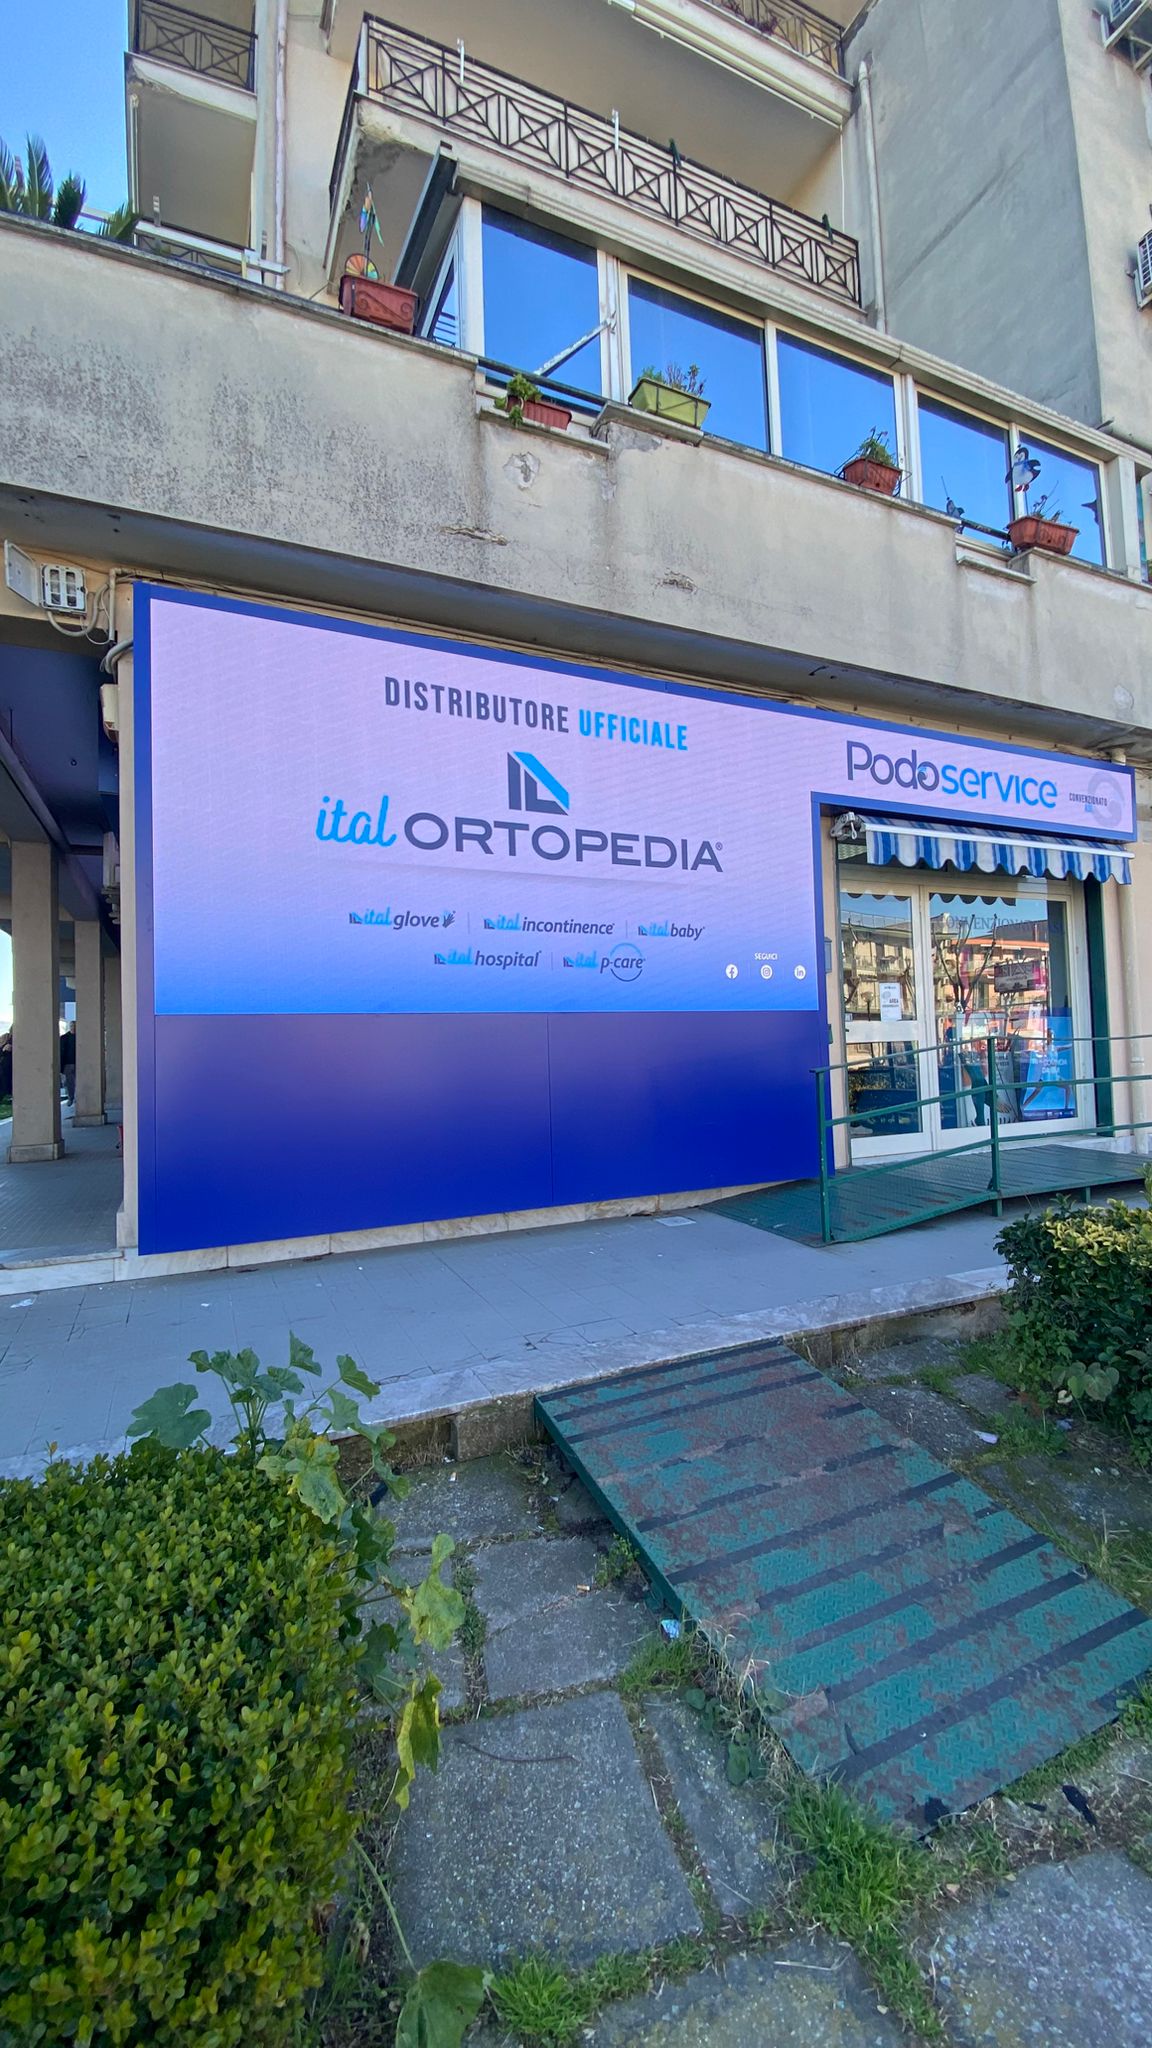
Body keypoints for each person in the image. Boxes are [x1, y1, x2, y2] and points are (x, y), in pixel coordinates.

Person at [59, 1025, 76, 1109]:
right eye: (72, 1026)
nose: (73, 1027)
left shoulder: (81, 1037)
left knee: (78, 1082)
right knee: (69, 1083)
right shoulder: (64, 1038)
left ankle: (76, 1098)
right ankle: (71, 1098)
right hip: (67, 1064)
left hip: (78, 1063)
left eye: (75, 1026)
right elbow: (60, 1051)